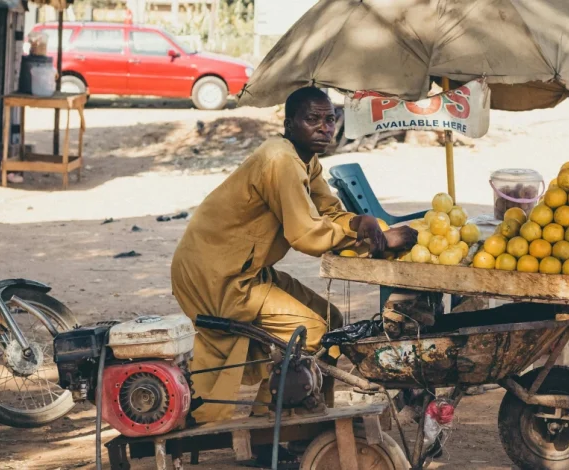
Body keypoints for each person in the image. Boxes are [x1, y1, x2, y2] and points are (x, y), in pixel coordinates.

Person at [171, 87, 416, 430]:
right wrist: (381, 239)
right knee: (310, 331)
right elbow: (306, 233)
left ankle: (305, 414)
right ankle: (278, 422)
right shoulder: (281, 160)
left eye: (329, 120)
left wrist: (360, 222)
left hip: (247, 269)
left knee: (330, 319)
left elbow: (328, 211)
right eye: (312, 119)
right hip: (216, 273)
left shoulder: (305, 159)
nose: (324, 128)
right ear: (289, 124)